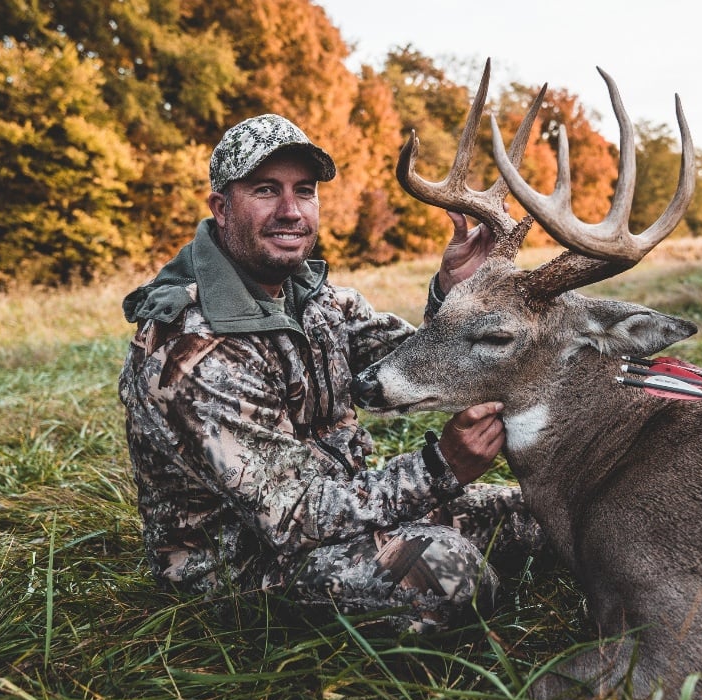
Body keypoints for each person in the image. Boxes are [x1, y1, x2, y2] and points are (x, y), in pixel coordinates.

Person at [118, 113, 541, 633]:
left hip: (342, 507)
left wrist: (453, 291)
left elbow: (412, 362)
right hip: (242, 566)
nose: (291, 211)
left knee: (535, 512)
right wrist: (441, 466)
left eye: (305, 191)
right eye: (266, 190)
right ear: (221, 209)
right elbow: (294, 513)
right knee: (445, 573)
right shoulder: (194, 348)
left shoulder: (314, 299)